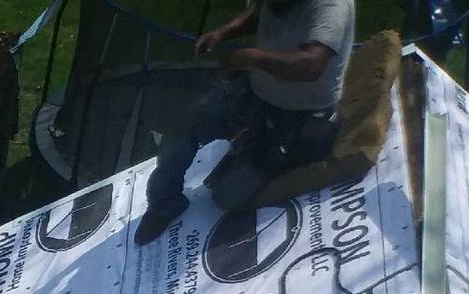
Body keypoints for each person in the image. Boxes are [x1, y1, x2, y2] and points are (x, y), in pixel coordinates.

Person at [135, 0, 355, 245]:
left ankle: (262, 153)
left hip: (300, 118)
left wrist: (252, 57)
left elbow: (312, 64)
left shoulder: (331, 6)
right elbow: (258, 14)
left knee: (226, 196)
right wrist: (222, 33)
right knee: (184, 124)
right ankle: (164, 203)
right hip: (255, 94)